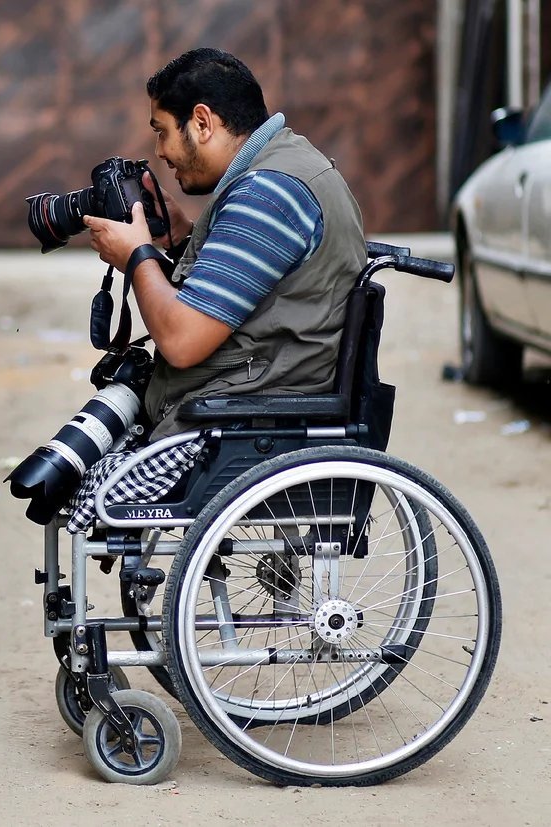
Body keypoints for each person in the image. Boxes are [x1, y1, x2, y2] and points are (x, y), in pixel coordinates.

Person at [67, 47, 366, 533]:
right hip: (259, 390)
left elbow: (183, 342)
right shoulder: (284, 164)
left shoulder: (266, 192)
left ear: (202, 122)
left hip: (248, 417)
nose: (160, 152)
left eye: (162, 130)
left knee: (83, 496)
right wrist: (180, 239)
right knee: (73, 454)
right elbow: (267, 288)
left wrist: (138, 256)